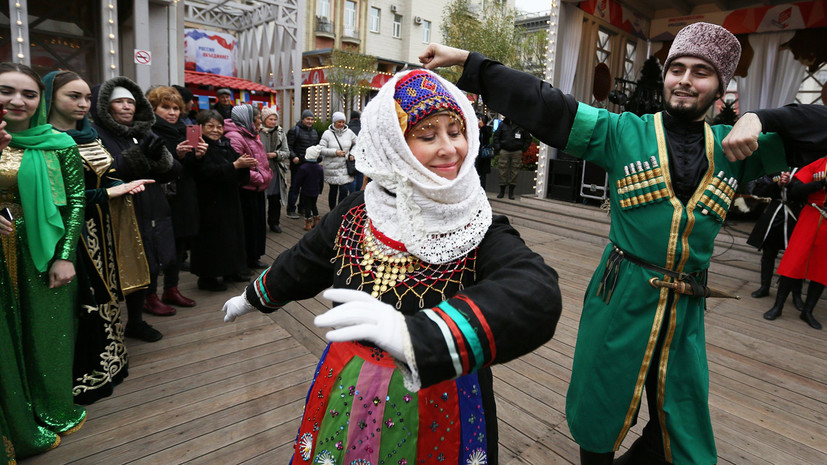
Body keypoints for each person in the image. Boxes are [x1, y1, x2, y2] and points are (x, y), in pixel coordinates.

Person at [419, 22, 827, 465]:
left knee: (683, 426)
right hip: (621, 296)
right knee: (601, 414)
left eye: (701, 73)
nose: (685, 80)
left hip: (686, 311)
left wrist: (762, 118)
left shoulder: (736, 148)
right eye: (678, 69)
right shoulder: (621, 133)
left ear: (720, 88)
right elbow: (546, 105)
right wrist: (468, 61)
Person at [221, 68, 561, 464]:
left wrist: (421, 337)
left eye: (456, 130)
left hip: (441, 394)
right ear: (392, 144)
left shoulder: (480, 226)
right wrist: (254, 295)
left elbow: (536, 292)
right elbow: (306, 261)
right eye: (428, 136)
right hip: (351, 385)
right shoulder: (358, 211)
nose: (451, 148)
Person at [44, 70, 154, 404]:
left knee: (105, 292)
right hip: (68, 237)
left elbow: (101, 178)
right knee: (79, 299)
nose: (82, 104)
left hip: (101, 228)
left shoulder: (89, 134)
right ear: (51, 98)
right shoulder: (43, 140)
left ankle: (109, 362)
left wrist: (116, 188)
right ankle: (79, 374)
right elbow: (59, 200)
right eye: (72, 96)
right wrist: (110, 193)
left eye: (86, 97)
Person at [0, 62, 86, 457]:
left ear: (41, 100)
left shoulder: (59, 143)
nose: (17, 100)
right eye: (6, 91)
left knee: (45, 336)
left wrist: (65, 256)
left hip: (42, 253)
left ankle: (49, 408)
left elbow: (76, 202)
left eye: (29, 94)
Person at [92, 76, 182, 341]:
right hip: (116, 211)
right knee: (120, 270)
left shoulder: (142, 131)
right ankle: (108, 329)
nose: (127, 107)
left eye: (130, 101)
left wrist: (161, 159)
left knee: (148, 265)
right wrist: (138, 156)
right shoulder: (97, 134)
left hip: (151, 206)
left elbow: (173, 171)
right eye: (119, 101)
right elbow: (105, 173)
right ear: (105, 106)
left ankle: (136, 321)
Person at [147, 86, 202, 309]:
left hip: (183, 196)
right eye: (165, 107)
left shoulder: (184, 129)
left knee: (178, 245)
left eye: (176, 108)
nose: (172, 112)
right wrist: (175, 156)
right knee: (154, 248)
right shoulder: (147, 132)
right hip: (158, 198)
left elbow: (190, 170)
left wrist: (197, 156)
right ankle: (150, 296)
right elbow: (150, 168)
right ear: (153, 108)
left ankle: (172, 288)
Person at [190, 110, 255, 291]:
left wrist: (245, 165)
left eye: (219, 127)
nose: (215, 130)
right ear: (200, 128)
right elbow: (206, 172)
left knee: (231, 236)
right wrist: (235, 166)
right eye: (210, 126)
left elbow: (238, 167)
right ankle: (207, 277)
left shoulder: (225, 144)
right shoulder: (199, 147)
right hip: (209, 202)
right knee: (213, 240)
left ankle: (231, 270)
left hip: (229, 199)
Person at [765, 156, 827, 329]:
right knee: (793, 262)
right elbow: (796, 190)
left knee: (823, 269)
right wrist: (821, 184)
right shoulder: (819, 164)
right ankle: (778, 306)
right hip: (811, 215)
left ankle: (807, 311)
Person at [224, 104, 273, 269]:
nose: (260, 120)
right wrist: (261, 177)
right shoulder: (235, 137)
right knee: (248, 227)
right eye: (257, 117)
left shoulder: (251, 133)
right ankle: (247, 259)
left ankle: (254, 257)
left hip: (257, 188)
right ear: (248, 119)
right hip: (246, 189)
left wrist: (266, 174)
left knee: (257, 225)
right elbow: (237, 165)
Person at [746, 171, 804, 306]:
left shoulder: (805, 169)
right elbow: (759, 190)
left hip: (796, 216)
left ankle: (797, 295)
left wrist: (791, 184)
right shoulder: (776, 169)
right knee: (768, 252)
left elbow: (807, 194)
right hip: (774, 214)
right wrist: (777, 184)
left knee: (796, 258)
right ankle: (764, 287)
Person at [259, 106, 289, 233]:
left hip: (276, 170)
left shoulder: (281, 133)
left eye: (275, 119)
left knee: (275, 198)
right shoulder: (257, 132)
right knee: (261, 199)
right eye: (270, 119)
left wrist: (276, 154)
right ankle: (259, 224)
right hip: (260, 170)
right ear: (264, 119)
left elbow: (286, 152)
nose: (273, 122)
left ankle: (274, 223)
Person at [285, 109, 320, 218]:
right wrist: (293, 156)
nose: (310, 121)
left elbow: (317, 147)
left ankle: (302, 208)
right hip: (297, 164)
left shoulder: (314, 132)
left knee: (306, 187)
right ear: (303, 119)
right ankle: (291, 209)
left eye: (312, 119)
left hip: (310, 164)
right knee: (295, 186)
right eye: (308, 119)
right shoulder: (295, 130)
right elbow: (288, 146)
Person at [319, 111, 356, 209]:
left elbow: (358, 143)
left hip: (344, 166)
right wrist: (335, 152)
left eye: (343, 122)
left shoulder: (349, 133)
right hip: (332, 167)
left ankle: (340, 210)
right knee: (333, 190)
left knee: (344, 190)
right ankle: (332, 210)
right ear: (334, 122)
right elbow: (321, 149)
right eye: (339, 122)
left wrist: (353, 153)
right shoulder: (327, 134)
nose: (341, 124)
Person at [492, 117, 531, 199]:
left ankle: (511, 192)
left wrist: (523, 149)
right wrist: (498, 147)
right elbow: (496, 136)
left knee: (515, 171)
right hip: (504, 149)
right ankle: (502, 191)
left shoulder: (521, 126)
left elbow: (528, 138)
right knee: (502, 170)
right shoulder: (503, 124)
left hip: (516, 150)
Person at [347, 109, 365, 192]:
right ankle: (358, 193)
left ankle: (352, 194)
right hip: (362, 155)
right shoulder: (363, 127)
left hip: (351, 155)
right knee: (360, 175)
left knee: (351, 175)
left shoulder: (347, 128)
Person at [475, 113, 493, 188]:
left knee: (482, 175)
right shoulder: (475, 129)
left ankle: (482, 189)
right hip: (475, 153)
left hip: (483, 154)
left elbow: (488, 135)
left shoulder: (487, 128)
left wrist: (482, 127)